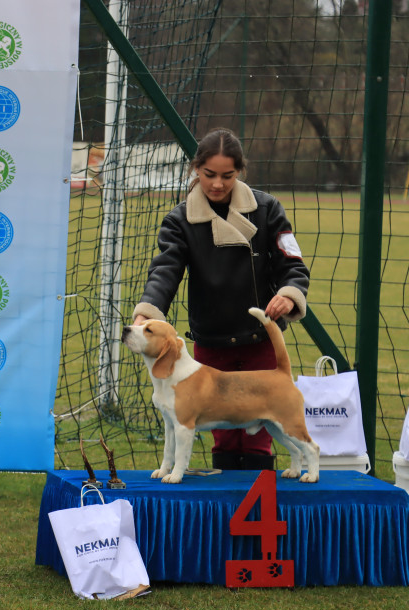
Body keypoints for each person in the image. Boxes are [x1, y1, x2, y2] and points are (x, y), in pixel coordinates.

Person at [131, 128, 310, 471]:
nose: (217, 184)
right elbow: (165, 271)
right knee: (224, 434)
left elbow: (293, 265)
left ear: (240, 172)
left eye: (228, 176)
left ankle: (262, 496)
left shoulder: (268, 209)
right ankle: (227, 499)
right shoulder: (179, 220)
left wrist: (289, 296)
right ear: (195, 169)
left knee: (261, 426)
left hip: (259, 339)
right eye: (209, 174)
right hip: (212, 342)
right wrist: (147, 312)